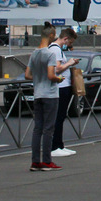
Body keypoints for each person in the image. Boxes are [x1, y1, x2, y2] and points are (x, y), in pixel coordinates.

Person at [27, 24, 74, 171]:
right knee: (48, 129)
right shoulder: (50, 54)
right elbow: (51, 75)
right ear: (52, 36)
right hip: (50, 95)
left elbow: (28, 75)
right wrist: (59, 79)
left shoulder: (34, 53)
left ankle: (35, 162)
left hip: (37, 94)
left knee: (37, 129)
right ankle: (47, 161)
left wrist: (38, 78)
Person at [51, 27, 79, 159]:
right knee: (58, 117)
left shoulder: (57, 49)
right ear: (66, 39)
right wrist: (70, 63)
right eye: (70, 42)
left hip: (62, 86)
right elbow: (57, 69)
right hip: (60, 87)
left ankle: (59, 145)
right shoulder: (56, 49)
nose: (69, 45)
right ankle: (55, 146)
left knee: (61, 116)